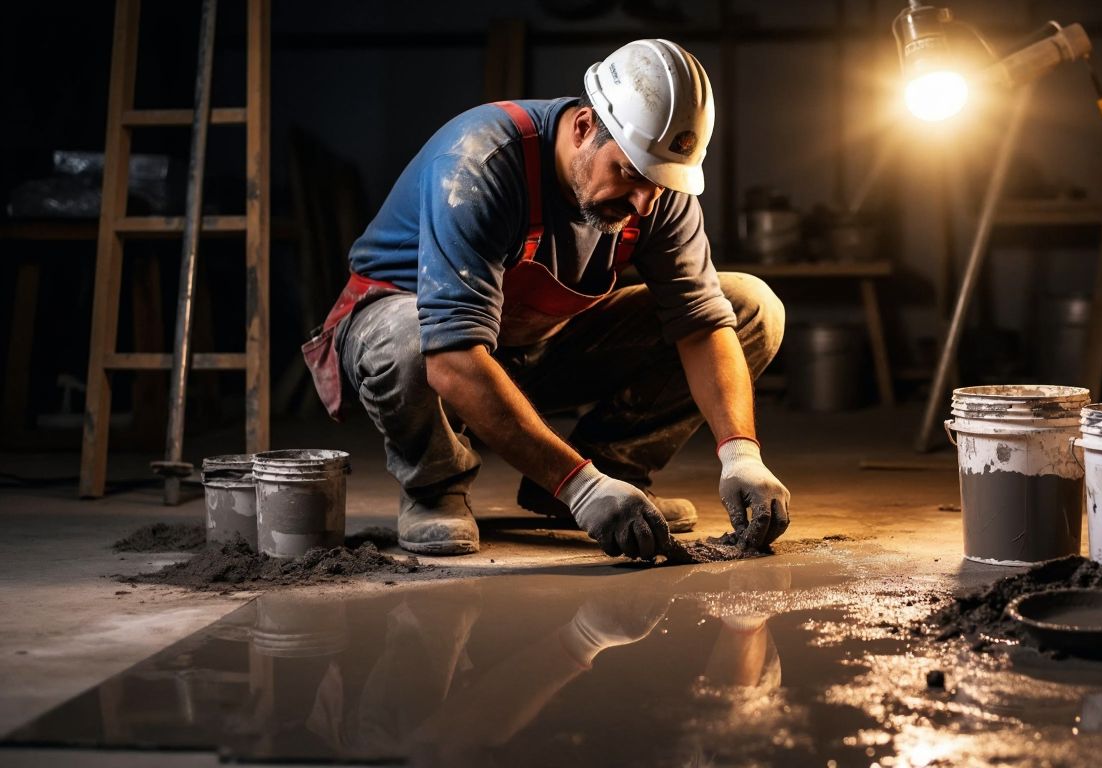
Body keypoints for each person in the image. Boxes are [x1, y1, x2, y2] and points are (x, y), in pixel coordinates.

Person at [303, 39, 790, 560]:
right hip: (423, 343)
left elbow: (701, 326)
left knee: (749, 308)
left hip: (531, 341)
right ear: (583, 127)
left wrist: (741, 454)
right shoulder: (480, 162)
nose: (644, 201)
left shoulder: (656, 195)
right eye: (629, 173)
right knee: (410, 337)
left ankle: (609, 472)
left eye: (660, 183)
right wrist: (580, 487)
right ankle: (434, 488)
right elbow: (451, 359)